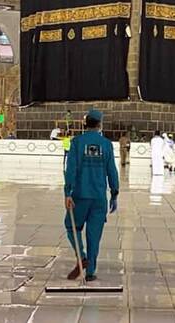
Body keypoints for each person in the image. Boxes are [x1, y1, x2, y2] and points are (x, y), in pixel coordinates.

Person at [63, 109, 119, 282]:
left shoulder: (77, 142)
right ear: (100, 124)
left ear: (85, 124)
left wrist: (67, 192)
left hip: (80, 195)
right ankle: (90, 272)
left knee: (72, 226)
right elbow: (112, 170)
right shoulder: (106, 144)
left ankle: (82, 256)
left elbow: (70, 169)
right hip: (99, 197)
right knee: (94, 235)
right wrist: (114, 193)